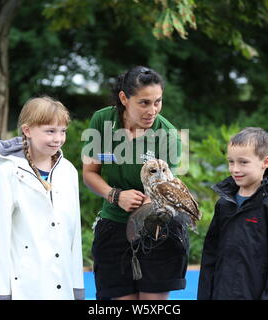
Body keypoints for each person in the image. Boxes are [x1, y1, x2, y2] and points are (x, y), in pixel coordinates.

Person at [82, 66, 187, 300]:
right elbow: (90, 173)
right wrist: (115, 195)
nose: (153, 111)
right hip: (113, 225)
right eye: (144, 103)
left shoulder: (168, 134)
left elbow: (168, 188)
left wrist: (149, 203)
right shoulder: (102, 120)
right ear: (124, 98)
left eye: (158, 102)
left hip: (157, 228)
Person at [0, 96, 84, 300]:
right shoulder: (8, 173)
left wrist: (77, 287)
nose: (58, 138)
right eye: (50, 131)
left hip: (63, 286)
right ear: (27, 130)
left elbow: (74, 234)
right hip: (26, 286)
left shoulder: (69, 172)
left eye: (62, 131)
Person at [197, 127, 268, 300]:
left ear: (265, 162)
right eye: (231, 162)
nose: (235, 169)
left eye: (243, 162)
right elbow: (210, 254)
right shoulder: (224, 204)